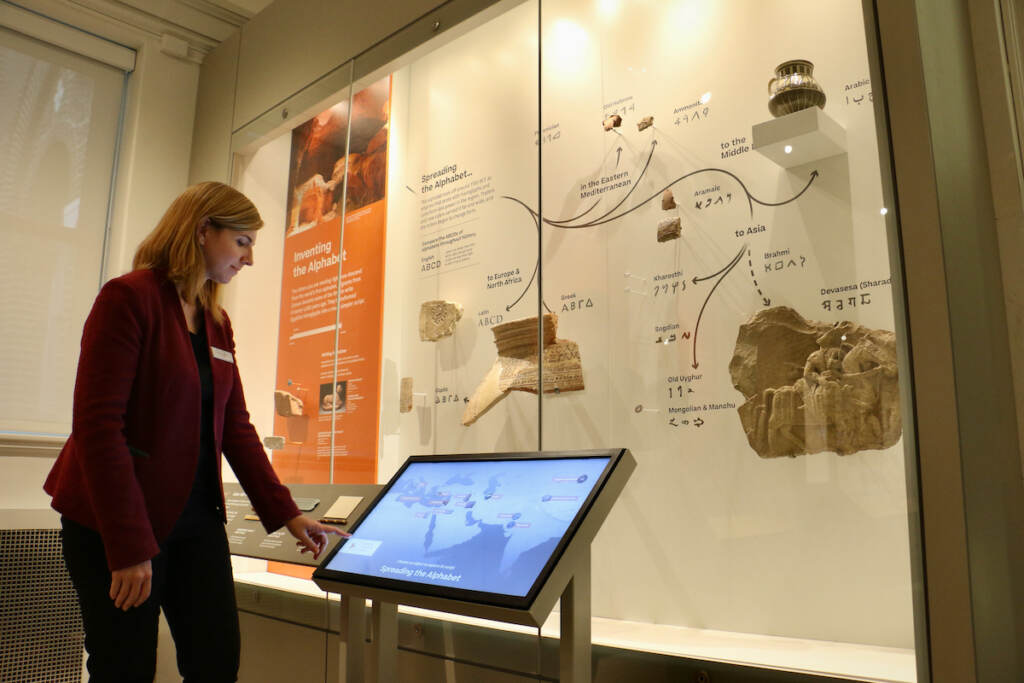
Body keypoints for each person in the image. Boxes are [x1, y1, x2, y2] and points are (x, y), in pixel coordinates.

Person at [44, 181, 344, 682]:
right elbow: (97, 429)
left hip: (195, 519)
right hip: (115, 521)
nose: (249, 259)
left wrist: (289, 515)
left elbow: (236, 427)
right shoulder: (128, 298)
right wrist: (129, 545)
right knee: (124, 667)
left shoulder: (215, 322)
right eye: (243, 241)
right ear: (204, 231)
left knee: (215, 661)